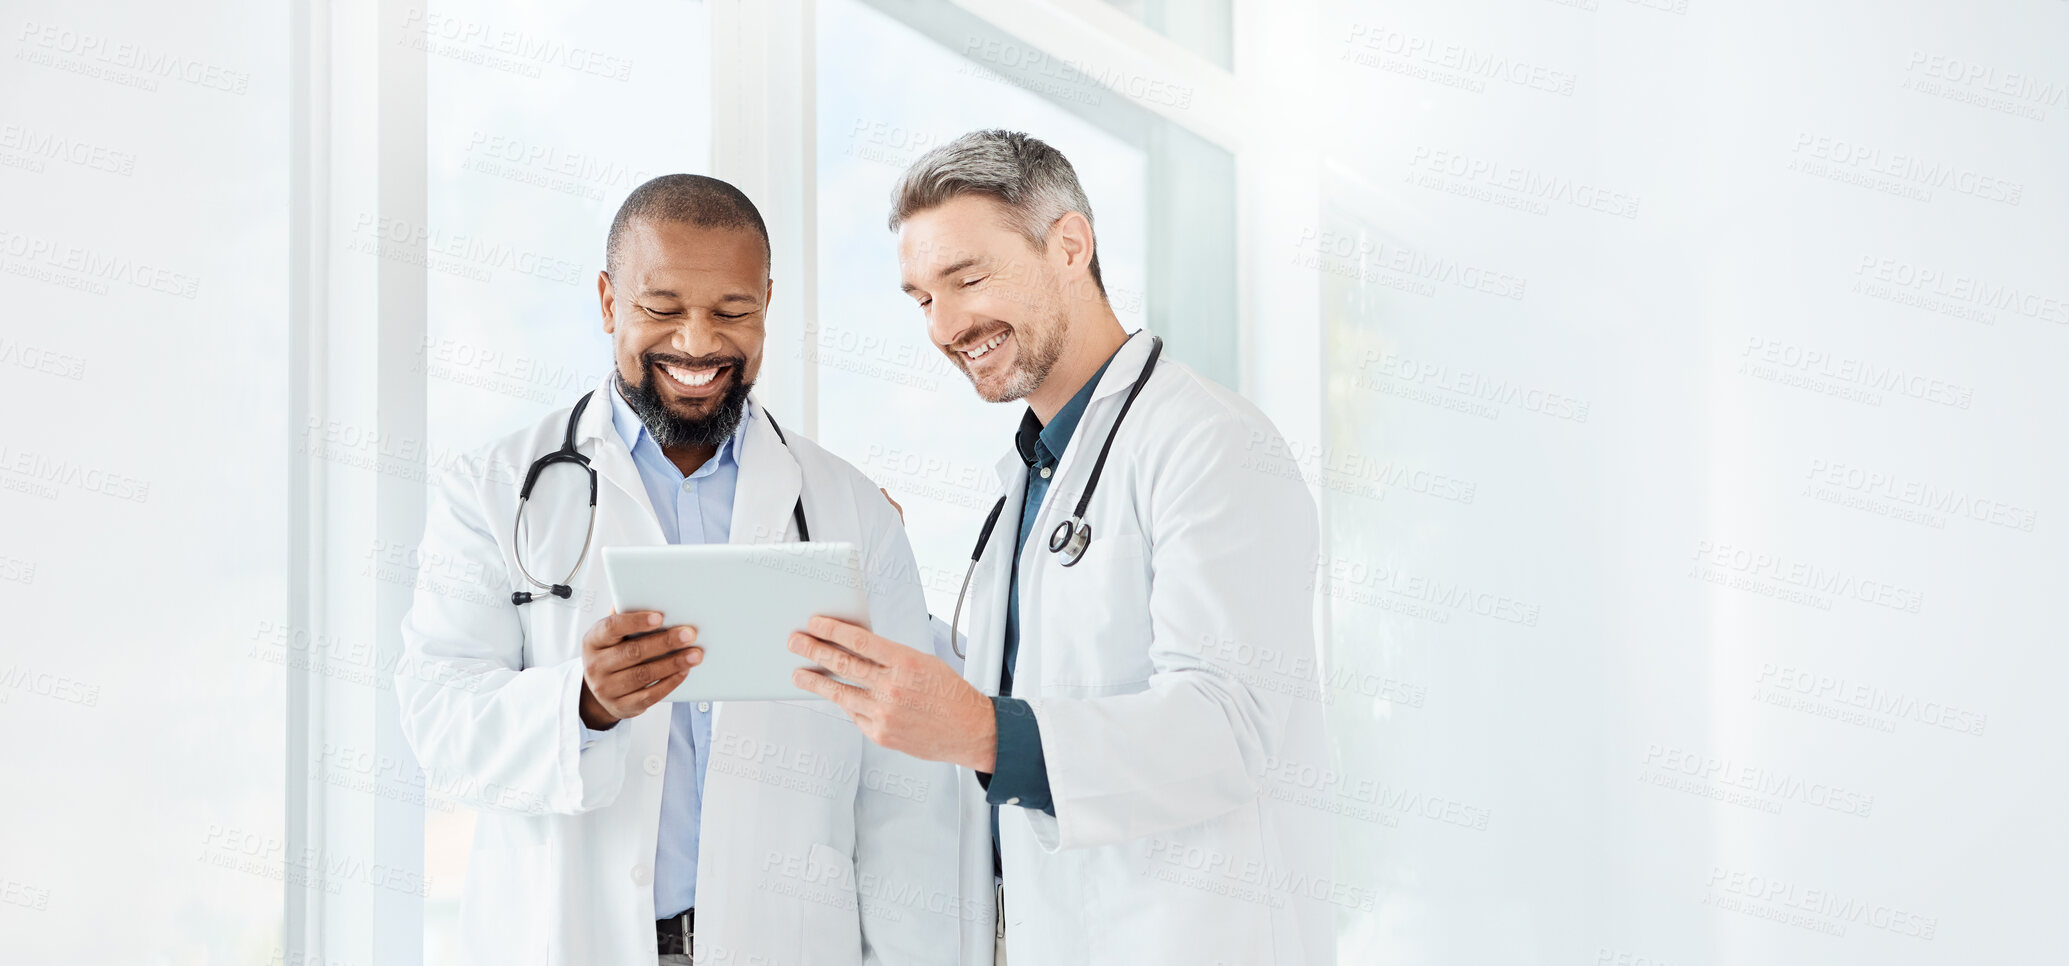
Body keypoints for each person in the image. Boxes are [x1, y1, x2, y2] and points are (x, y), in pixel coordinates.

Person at [786, 131, 1335, 964]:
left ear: (1069, 246)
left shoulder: (1211, 445)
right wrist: (879, 579)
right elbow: (1027, 681)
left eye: (967, 280)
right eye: (921, 298)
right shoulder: (1032, 471)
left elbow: (1229, 726)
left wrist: (980, 732)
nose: (945, 325)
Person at [397, 174, 958, 965]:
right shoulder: (491, 491)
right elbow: (439, 722)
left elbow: (908, 788)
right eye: (661, 309)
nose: (697, 343)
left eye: (731, 312)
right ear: (606, 302)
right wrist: (581, 704)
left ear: (767, 303)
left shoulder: (852, 510)